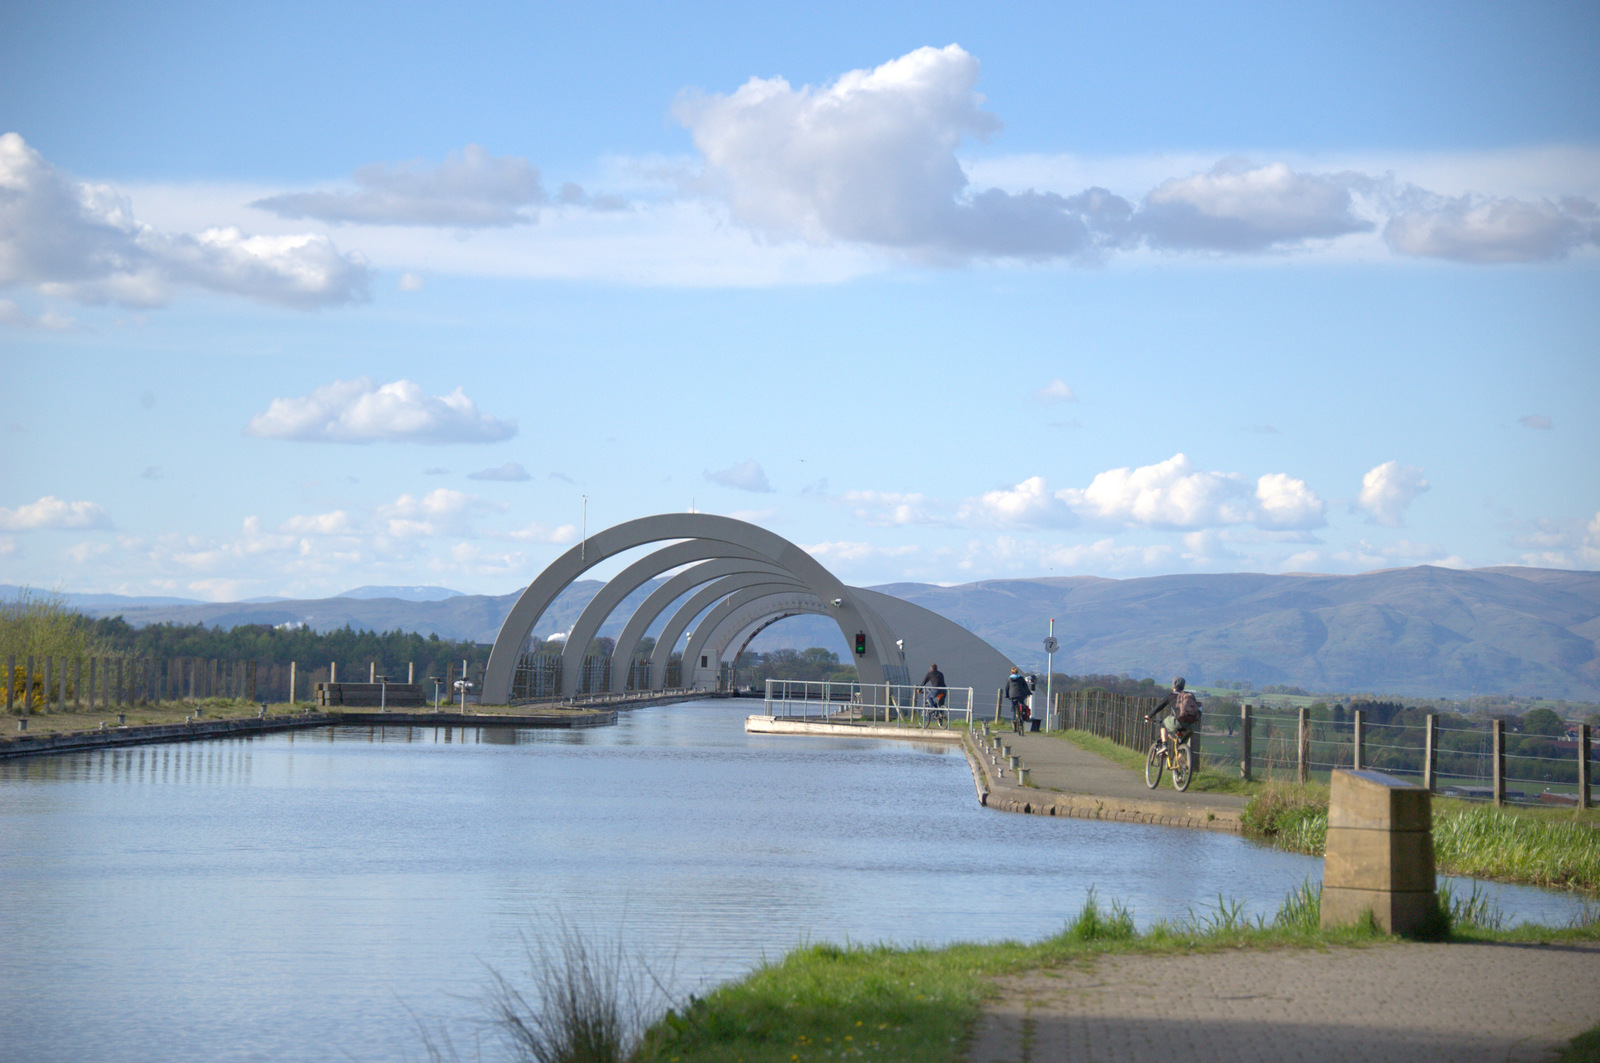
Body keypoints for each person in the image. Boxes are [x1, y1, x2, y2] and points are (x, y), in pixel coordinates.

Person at [1147, 677, 1201, 748]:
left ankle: (1164, 745)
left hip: (1177, 722)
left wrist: (1149, 716)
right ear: (1183, 687)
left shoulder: (1171, 695)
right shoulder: (1190, 696)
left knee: (1163, 725)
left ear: (1173, 687)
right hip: (1190, 725)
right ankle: (1182, 754)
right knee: (1182, 743)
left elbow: (1159, 706)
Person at [1005, 666, 1032, 733]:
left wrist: (1007, 696)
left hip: (1013, 696)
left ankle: (1014, 724)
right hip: (1021, 695)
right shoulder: (1021, 678)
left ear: (1011, 672)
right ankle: (1023, 716)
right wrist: (1028, 693)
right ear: (1017, 672)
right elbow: (1025, 686)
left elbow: (1007, 688)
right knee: (1023, 705)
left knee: (1014, 709)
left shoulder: (1009, 679)